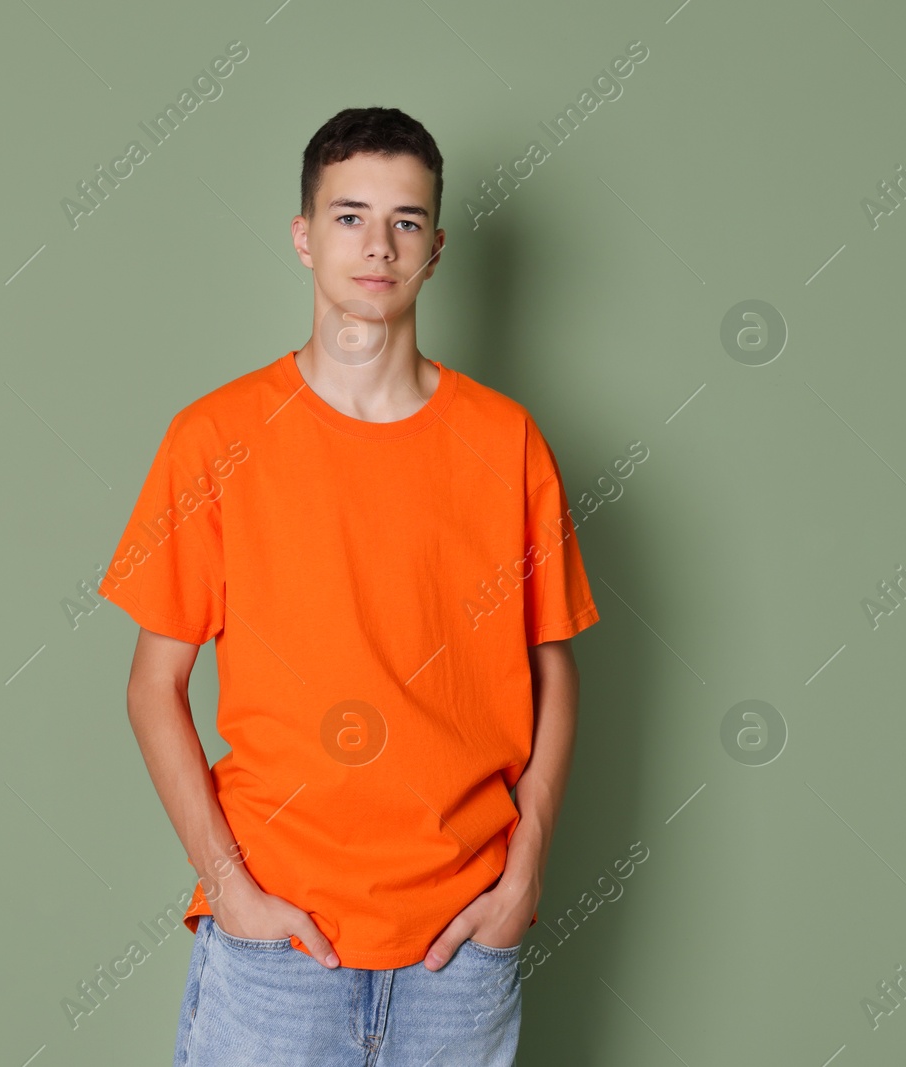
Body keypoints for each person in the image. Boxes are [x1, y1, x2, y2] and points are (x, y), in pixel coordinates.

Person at [97, 106, 601, 1066]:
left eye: (406, 221)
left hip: (461, 943)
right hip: (278, 947)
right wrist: (230, 887)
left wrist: (525, 869)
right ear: (302, 236)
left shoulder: (507, 443)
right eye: (349, 216)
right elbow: (150, 684)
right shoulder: (214, 438)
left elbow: (553, 668)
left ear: (437, 249)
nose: (378, 245)